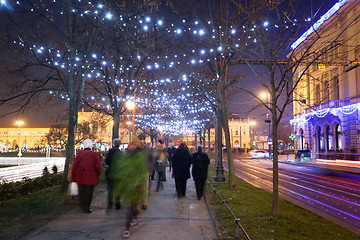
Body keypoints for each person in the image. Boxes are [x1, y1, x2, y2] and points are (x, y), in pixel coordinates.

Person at [108, 137, 148, 238]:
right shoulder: (124, 155)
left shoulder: (139, 157)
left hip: (135, 186)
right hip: (126, 185)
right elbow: (119, 168)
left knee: (134, 208)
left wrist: (138, 182)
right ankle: (126, 229)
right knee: (129, 207)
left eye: (134, 144)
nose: (132, 146)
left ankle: (136, 215)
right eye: (131, 144)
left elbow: (143, 172)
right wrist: (117, 177)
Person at [71, 139, 101, 213]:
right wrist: (98, 174)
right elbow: (98, 166)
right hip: (91, 177)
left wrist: (73, 177)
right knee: (89, 193)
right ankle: (87, 207)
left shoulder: (79, 154)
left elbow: (75, 166)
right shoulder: (94, 154)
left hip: (81, 177)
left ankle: (82, 206)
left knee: (82, 192)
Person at [105, 138, 122, 210]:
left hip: (111, 172)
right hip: (119, 173)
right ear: (120, 144)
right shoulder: (121, 153)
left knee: (111, 189)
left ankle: (110, 203)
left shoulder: (110, 151)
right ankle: (118, 203)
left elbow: (107, 162)